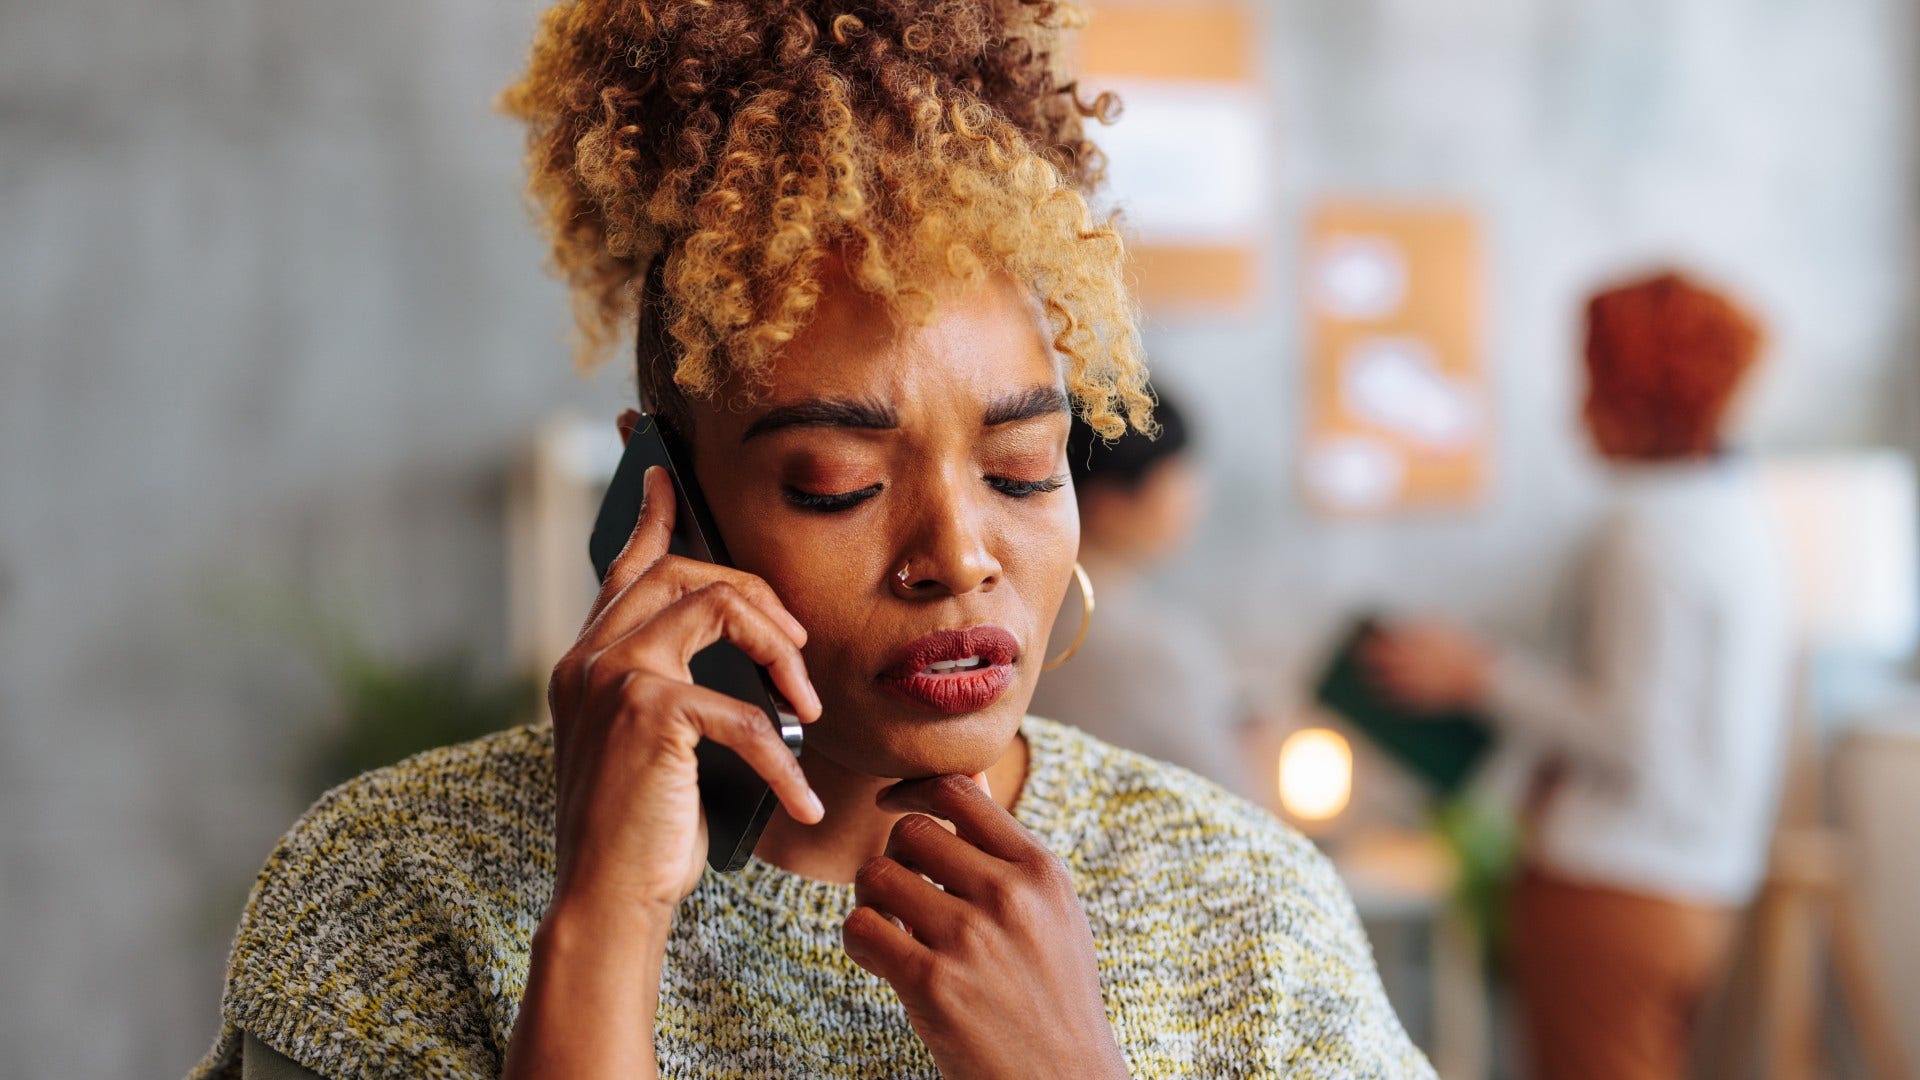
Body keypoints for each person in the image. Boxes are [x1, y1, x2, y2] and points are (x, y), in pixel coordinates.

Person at [187, 3, 1434, 1077]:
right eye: (839, 485)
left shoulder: (1245, 911)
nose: (960, 554)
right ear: (664, 492)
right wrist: (603, 922)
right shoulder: (395, 892)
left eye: (1021, 468)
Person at [1364, 271, 1792, 1080]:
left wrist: (1477, 675)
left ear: (1634, 392)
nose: (1577, 407)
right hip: (1701, 886)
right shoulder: (1738, 513)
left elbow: (1632, 731)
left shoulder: (1647, 531)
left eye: (1592, 378)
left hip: (1614, 882)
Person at [1028, 385, 1256, 797]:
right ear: (1108, 503)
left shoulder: (1019, 611)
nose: (1196, 496)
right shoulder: (1152, 647)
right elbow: (1230, 802)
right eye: (1176, 476)